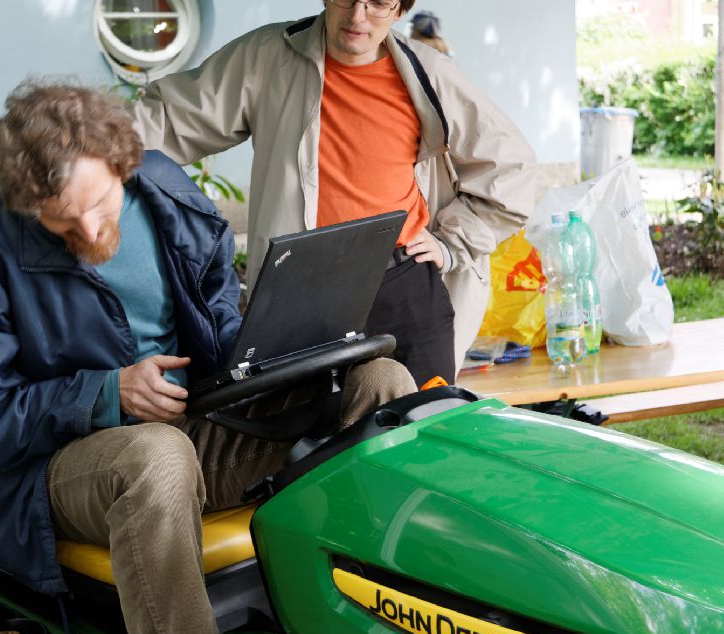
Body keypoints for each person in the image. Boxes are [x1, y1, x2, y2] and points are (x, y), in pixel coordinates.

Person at [0, 81, 417, 634]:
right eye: (61, 220)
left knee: (381, 382)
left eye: (98, 204)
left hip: (198, 422)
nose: (88, 230)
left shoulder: (168, 194)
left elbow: (217, 320)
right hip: (59, 470)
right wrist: (105, 394)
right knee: (157, 455)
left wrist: (278, 344)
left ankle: (389, 629)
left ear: (121, 163)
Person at [132, 0, 537, 387]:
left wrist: (452, 242)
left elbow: (511, 169)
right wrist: (98, 146)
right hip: (301, 291)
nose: (358, 16)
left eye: (378, 3)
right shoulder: (268, 57)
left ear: (400, 9)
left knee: (421, 425)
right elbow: (166, 118)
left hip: (402, 284)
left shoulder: (428, 73)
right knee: (307, 431)